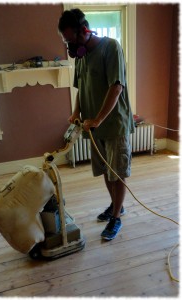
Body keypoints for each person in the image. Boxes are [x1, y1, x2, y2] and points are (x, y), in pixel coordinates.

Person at [58, 8, 135, 240]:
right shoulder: (81, 56)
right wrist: (75, 113)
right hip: (93, 127)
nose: (70, 46)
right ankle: (115, 206)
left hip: (114, 124)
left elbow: (116, 87)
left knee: (117, 172)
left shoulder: (111, 47)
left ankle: (116, 218)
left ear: (84, 31)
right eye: (66, 41)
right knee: (105, 169)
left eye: (71, 39)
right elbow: (81, 88)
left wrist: (99, 119)